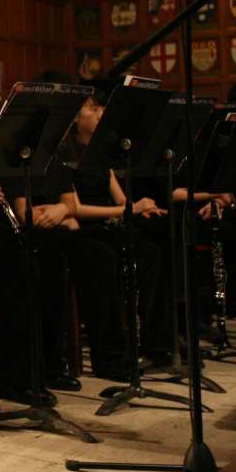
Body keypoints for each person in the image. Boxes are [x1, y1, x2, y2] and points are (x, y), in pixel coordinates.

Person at [60, 89, 173, 368]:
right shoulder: (65, 154)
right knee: (104, 257)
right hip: (84, 227)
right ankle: (111, 352)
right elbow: (76, 209)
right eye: (92, 108)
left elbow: (122, 199)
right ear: (75, 118)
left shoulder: (100, 153)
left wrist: (142, 208)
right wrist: (127, 210)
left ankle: (157, 341)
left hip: (109, 224)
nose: (100, 113)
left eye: (100, 107)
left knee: (152, 249)